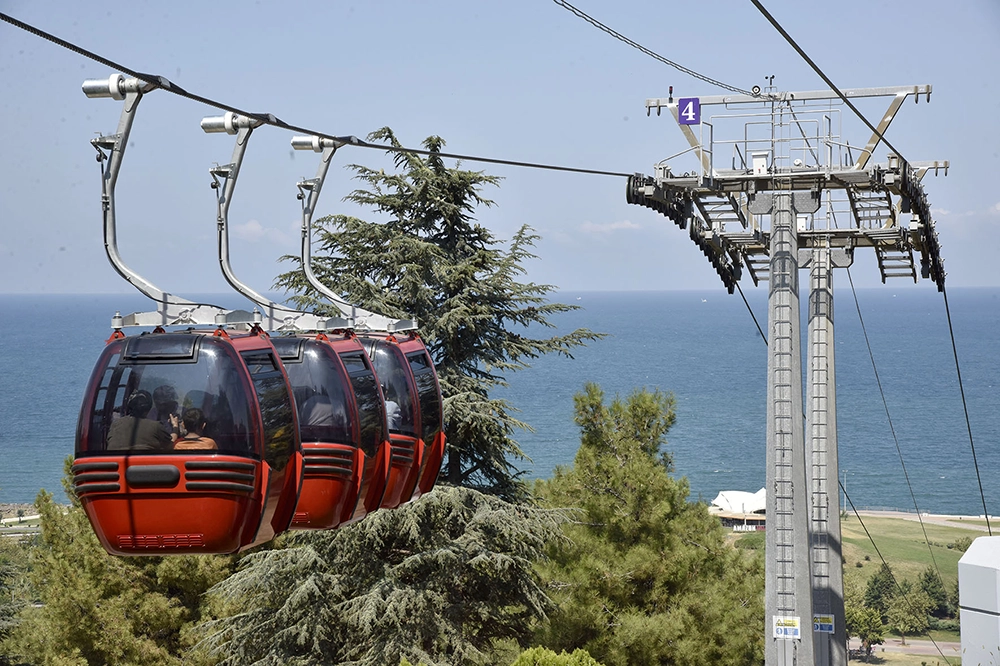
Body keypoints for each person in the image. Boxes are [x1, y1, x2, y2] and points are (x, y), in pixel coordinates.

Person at [107, 390, 175, 451]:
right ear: (148, 407)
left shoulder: (115, 425)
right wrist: (175, 428)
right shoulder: (156, 426)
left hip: (113, 463)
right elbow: (170, 446)